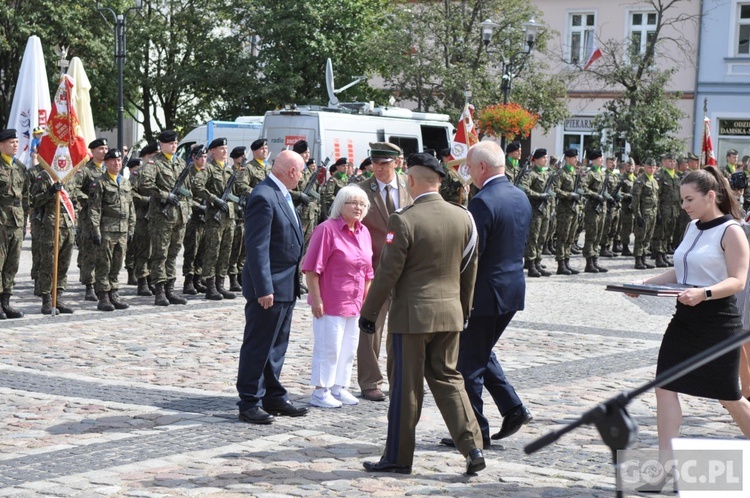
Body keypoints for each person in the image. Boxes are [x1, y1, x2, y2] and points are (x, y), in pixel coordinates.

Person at [359, 152, 484, 476]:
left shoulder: (404, 219)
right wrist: (464, 311)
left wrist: (369, 313)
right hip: (450, 314)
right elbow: (470, 271)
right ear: (440, 181)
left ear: (411, 181)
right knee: (449, 380)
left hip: (411, 317)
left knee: (406, 388)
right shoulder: (463, 217)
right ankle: (472, 448)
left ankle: (399, 457)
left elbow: (387, 273)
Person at [631, 166, 750, 493]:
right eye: (681, 199)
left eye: (689, 198)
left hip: (718, 321)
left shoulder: (732, 230)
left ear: (711, 196)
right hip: (684, 320)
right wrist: (642, 284)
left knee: (730, 397)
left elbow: (737, 280)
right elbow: (681, 269)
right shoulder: (692, 227)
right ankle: (664, 468)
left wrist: (704, 292)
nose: (684, 204)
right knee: (665, 386)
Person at [439, 141, 533, 451]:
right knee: (480, 352)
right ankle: (513, 408)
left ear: (481, 168)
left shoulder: (483, 201)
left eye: (469, 167)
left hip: (483, 294)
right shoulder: (520, 195)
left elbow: (470, 254)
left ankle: (474, 432)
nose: (468, 173)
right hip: (510, 290)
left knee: (469, 365)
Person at [236, 150, 309, 424]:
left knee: (277, 345)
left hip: (286, 284)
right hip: (270, 288)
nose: (302, 177)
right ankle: (249, 400)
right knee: (259, 344)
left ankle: (273, 394)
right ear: (292, 171)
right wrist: (264, 288)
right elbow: (257, 247)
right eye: (300, 171)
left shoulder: (282, 194)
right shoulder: (263, 196)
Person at [302, 185, 373, 408]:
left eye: (362, 204)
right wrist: (317, 299)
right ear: (340, 205)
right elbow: (312, 269)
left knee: (348, 348)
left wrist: (365, 299)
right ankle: (321, 390)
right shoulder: (326, 230)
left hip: (354, 302)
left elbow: (368, 271)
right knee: (329, 347)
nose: (358, 207)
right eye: (353, 203)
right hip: (330, 301)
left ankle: (339, 387)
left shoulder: (364, 232)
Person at [356, 142, 412, 402]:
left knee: (408, 328)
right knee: (371, 328)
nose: (378, 168)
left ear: (397, 162)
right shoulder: (360, 191)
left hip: (408, 269)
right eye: (375, 163)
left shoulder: (410, 186)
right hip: (375, 268)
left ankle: (405, 377)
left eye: (384, 163)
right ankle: (369, 381)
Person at [139, 130, 190, 307]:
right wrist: (164, 195)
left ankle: (170, 289)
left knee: (173, 254)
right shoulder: (155, 163)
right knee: (160, 254)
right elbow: (144, 185)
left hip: (180, 215)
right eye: (170, 143)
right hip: (162, 215)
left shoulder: (181, 163)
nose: (174, 145)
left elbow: (188, 188)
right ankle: (160, 291)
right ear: (161, 144)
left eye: (175, 143)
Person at [88, 149, 135, 312]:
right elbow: (94, 209)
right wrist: (95, 230)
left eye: (119, 160)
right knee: (104, 264)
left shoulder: (125, 182)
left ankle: (114, 292)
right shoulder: (99, 183)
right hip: (107, 229)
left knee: (117, 263)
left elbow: (131, 207)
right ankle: (103, 296)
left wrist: (131, 227)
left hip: (122, 229)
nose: (117, 163)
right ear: (106, 163)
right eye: (113, 160)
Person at [194, 138, 236, 300]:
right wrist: (214, 199)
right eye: (221, 148)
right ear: (212, 151)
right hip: (215, 218)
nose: (225, 151)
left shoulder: (229, 170)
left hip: (229, 217)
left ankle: (220, 285)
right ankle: (210, 286)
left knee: (226, 252)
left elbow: (237, 189)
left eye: (226, 148)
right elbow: (197, 187)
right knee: (213, 251)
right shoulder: (208, 169)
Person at [30, 165, 74, 314]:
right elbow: (34, 201)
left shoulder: (69, 176)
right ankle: (47, 299)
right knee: (49, 263)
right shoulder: (44, 176)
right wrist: (50, 192)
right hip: (50, 225)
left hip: (68, 225)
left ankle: (58, 297)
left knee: (64, 263)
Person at [71, 137, 109, 302]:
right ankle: (89, 286)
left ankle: (103, 284)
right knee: (90, 253)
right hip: (88, 218)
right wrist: (90, 198)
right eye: (100, 148)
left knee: (104, 253)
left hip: (106, 218)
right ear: (92, 152)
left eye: (105, 148)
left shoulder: (109, 171)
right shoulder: (85, 171)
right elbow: (74, 189)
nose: (104, 151)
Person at [0, 129, 29, 319]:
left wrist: (25, 221)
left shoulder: (20, 167)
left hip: (17, 222)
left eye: (17, 142)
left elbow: (25, 197)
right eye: (12, 142)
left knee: (12, 264)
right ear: (1, 145)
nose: (15, 145)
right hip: (1, 220)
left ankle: (6, 302)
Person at [181, 145, 209, 295]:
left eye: (205, 157)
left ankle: (199, 278)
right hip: (193, 217)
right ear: (193, 157)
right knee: (191, 250)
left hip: (206, 217)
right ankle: (189, 281)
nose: (203, 160)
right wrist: (198, 206)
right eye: (201, 157)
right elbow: (185, 196)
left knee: (203, 250)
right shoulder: (187, 174)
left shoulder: (206, 173)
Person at [581, 149, 610, 273]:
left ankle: (595, 261)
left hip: (602, 208)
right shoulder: (590, 174)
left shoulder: (603, 174)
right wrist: (595, 195)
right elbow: (583, 188)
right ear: (593, 160)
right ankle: (589, 263)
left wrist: (608, 196)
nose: (602, 160)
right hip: (593, 208)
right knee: (591, 235)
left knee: (598, 236)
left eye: (602, 158)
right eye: (600, 158)